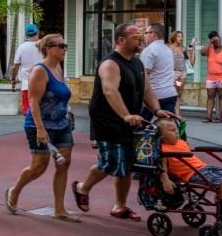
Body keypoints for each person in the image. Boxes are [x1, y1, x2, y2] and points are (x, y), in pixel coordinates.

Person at [72, 23, 174, 222]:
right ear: (121, 40)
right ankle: (82, 188)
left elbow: (147, 91)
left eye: (141, 35)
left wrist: (157, 109)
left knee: (127, 164)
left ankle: (120, 206)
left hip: (129, 121)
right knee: (111, 163)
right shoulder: (110, 64)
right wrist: (126, 115)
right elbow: (110, 91)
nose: (141, 39)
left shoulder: (137, 64)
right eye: (136, 36)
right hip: (108, 121)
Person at [5, 34, 78, 222]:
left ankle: (59, 209)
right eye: (60, 46)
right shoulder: (40, 70)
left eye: (65, 45)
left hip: (61, 124)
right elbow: (33, 102)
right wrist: (40, 129)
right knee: (38, 167)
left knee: (64, 163)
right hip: (40, 124)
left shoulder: (59, 68)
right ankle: (14, 190)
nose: (64, 49)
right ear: (48, 48)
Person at [156, 118, 222, 234]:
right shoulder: (162, 149)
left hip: (205, 168)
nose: (176, 132)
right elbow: (162, 166)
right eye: (172, 131)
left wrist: (182, 124)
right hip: (191, 174)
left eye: (176, 129)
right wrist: (165, 180)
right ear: (161, 137)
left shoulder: (181, 142)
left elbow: (182, 132)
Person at [139, 23, 179, 119]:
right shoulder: (168, 50)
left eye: (146, 33)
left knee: (141, 125)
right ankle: (180, 134)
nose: (144, 36)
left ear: (153, 34)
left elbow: (144, 74)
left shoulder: (149, 50)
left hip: (154, 95)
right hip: (170, 93)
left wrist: (141, 95)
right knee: (169, 125)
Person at [201, 31, 222, 123]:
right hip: (211, 78)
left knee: (221, 96)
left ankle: (219, 117)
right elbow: (202, 53)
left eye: (218, 39)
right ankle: (208, 117)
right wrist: (210, 42)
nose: (218, 41)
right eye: (215, 40)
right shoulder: (209, 48)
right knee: (210, 97)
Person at [11, 23, 42, 114]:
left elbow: (15, 67)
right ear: (38, 32)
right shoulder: (43, 46)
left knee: (28, 112)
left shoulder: (22, 47)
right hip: (42, 83)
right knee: (40, 110)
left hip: (26, 85)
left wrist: (13, 78)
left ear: (26, 34)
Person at [168, 30, 196, 115]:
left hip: (183, 74)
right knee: (173, 92)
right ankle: (170, 111)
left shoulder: (183, 48)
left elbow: (191, 63)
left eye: (181, 36)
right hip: (174, 73)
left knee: (179, 93)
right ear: (174, 37)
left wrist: (193, 50)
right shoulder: (169, 47)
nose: (181, 38)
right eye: (179, 36)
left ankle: (177, 113)